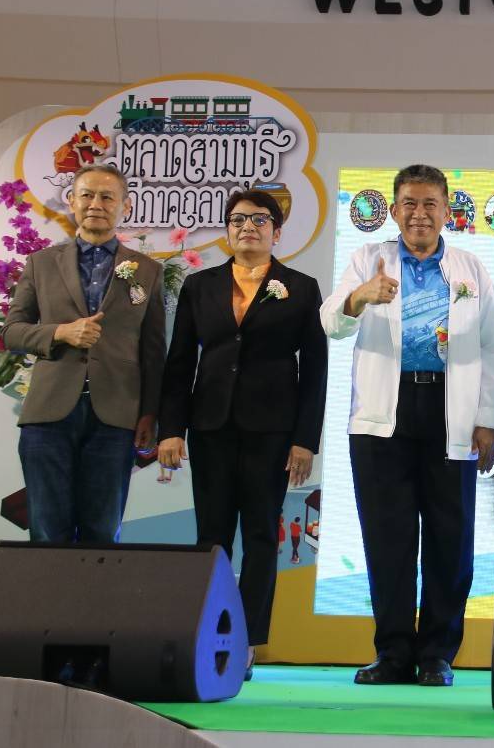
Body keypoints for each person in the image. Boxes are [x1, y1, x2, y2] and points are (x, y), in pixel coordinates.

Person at [321, 164, 494, 688]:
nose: (419, 213)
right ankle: (392, 653)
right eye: (409, 203)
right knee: (388, 537)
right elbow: (330, 321)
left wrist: (489, 419)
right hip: (383, 415)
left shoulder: (470, 267)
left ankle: (437, 655)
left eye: (430, 203)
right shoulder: (369, 259)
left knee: (451, 537)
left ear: (447, 211)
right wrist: (361, 296)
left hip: (453, 411)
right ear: (393, 209)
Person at [158, 189, 328, 682]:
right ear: (227, 230)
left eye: (259, 220)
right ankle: (207, 632)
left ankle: (247, 641)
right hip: (209, 426)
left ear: (277, 231)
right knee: (210, 536)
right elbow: (179, 362)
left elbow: (315, 370)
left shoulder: (301, 287)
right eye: (237, 220)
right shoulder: (200, 285)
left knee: (260, 535)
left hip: (272, 430)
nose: (247, 228)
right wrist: (171, 429)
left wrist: (305, 439)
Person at [2, 163, 164, 544]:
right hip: (48, 415)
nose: (96, 204)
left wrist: (150, 413)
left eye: (107, 197)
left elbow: (154, 351)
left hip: (116, 416)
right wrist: (61, 332)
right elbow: (11, 332)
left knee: (102, 534)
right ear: (71, 201)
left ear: (125, 206)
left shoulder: (148, 271)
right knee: (46, 532)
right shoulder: (41, 263)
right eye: (87, 195)